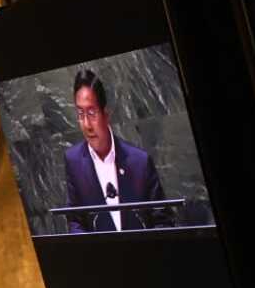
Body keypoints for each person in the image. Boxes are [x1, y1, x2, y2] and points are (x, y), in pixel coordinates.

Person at [63, 69, 174, 233]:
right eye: (81, 114)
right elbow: (75, 220)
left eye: (92, 113)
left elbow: (162, 221)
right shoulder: (73, 161)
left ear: (106, 114)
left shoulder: (140, 162)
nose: (86, 124)